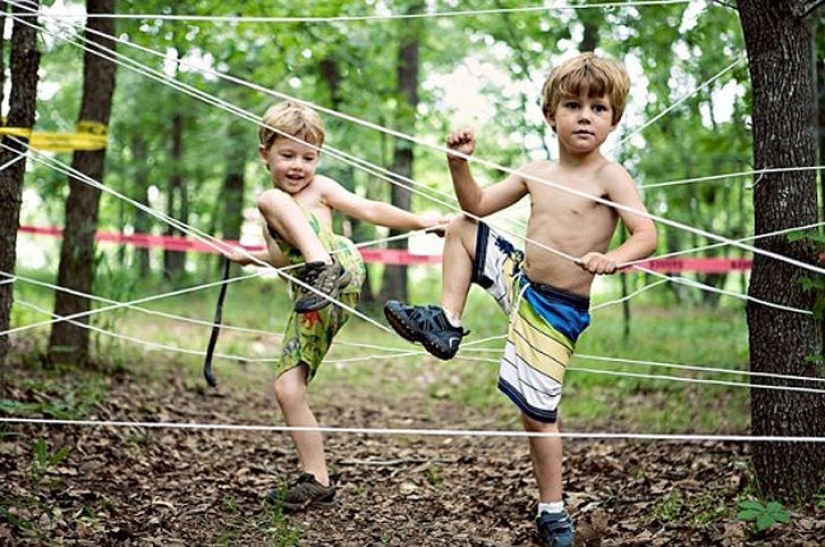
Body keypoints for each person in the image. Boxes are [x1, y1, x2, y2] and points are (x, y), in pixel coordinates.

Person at [383, 52, 658, 547]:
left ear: (614, 119)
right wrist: (457, 164)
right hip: (521, 282)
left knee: (537, 414)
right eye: (573, 105)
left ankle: (552, 510)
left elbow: (646, 233)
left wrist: (614, 257)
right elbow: (478, 205)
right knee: (463, 227)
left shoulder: (610, 177)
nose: (585, 116)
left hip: (556, 310)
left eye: (598, 107)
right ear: (551, 115)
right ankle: (446, 321)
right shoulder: (536, 170)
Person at [225, 100, 448, 511]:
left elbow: (370, 210)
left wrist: (422, 221)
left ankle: (320, 264)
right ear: (264, 153)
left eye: (308, 157)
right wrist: (249, 257)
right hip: (314, 294)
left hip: (337, 270)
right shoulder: (271, 215)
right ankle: (317, 479)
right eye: (287, 155)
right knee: (287, 388)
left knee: (268, 198)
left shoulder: (315, 190)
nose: (299, 166)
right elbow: (281, 261)